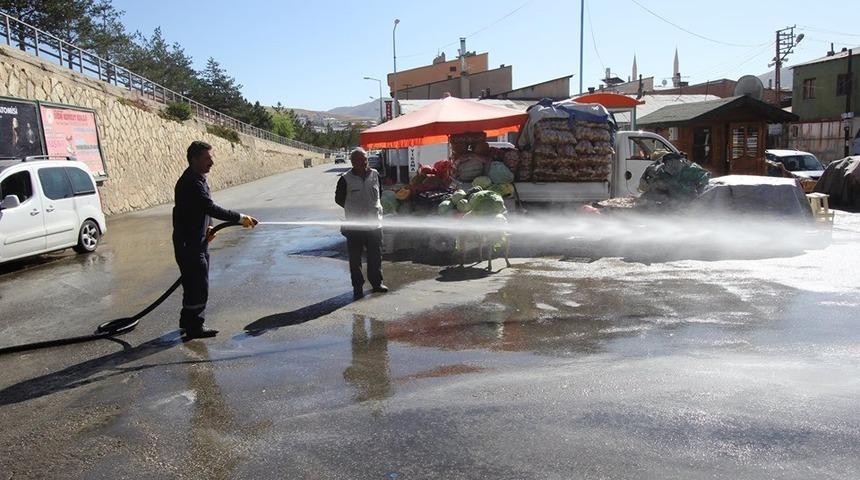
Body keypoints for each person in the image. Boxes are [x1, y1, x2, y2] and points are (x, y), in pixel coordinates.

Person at [173, 141, 258, 339]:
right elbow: (209, 206)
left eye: (211, 158)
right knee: (198, 285)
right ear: (194, 160)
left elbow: (201, 210)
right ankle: (195, 327)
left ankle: (187, 321)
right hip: (190, 244)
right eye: (207, 158)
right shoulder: (191, 182)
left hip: (196, 241)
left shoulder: (198, 178)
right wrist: (239, 218)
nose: (212, 162)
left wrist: (209, 227)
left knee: (192, 283)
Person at [335, 147, 389, 299]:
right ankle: (358, 287)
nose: (363, 162)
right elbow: (339, 199)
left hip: (374, 224)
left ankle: (377, 283)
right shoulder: (345, 179)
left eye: (364, 159)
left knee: (375, 256)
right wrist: (355, 210)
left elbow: (380, 192)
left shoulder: (375, 174)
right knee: (355, 258)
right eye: (359, 160)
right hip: (355, 226)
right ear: (352, 162)